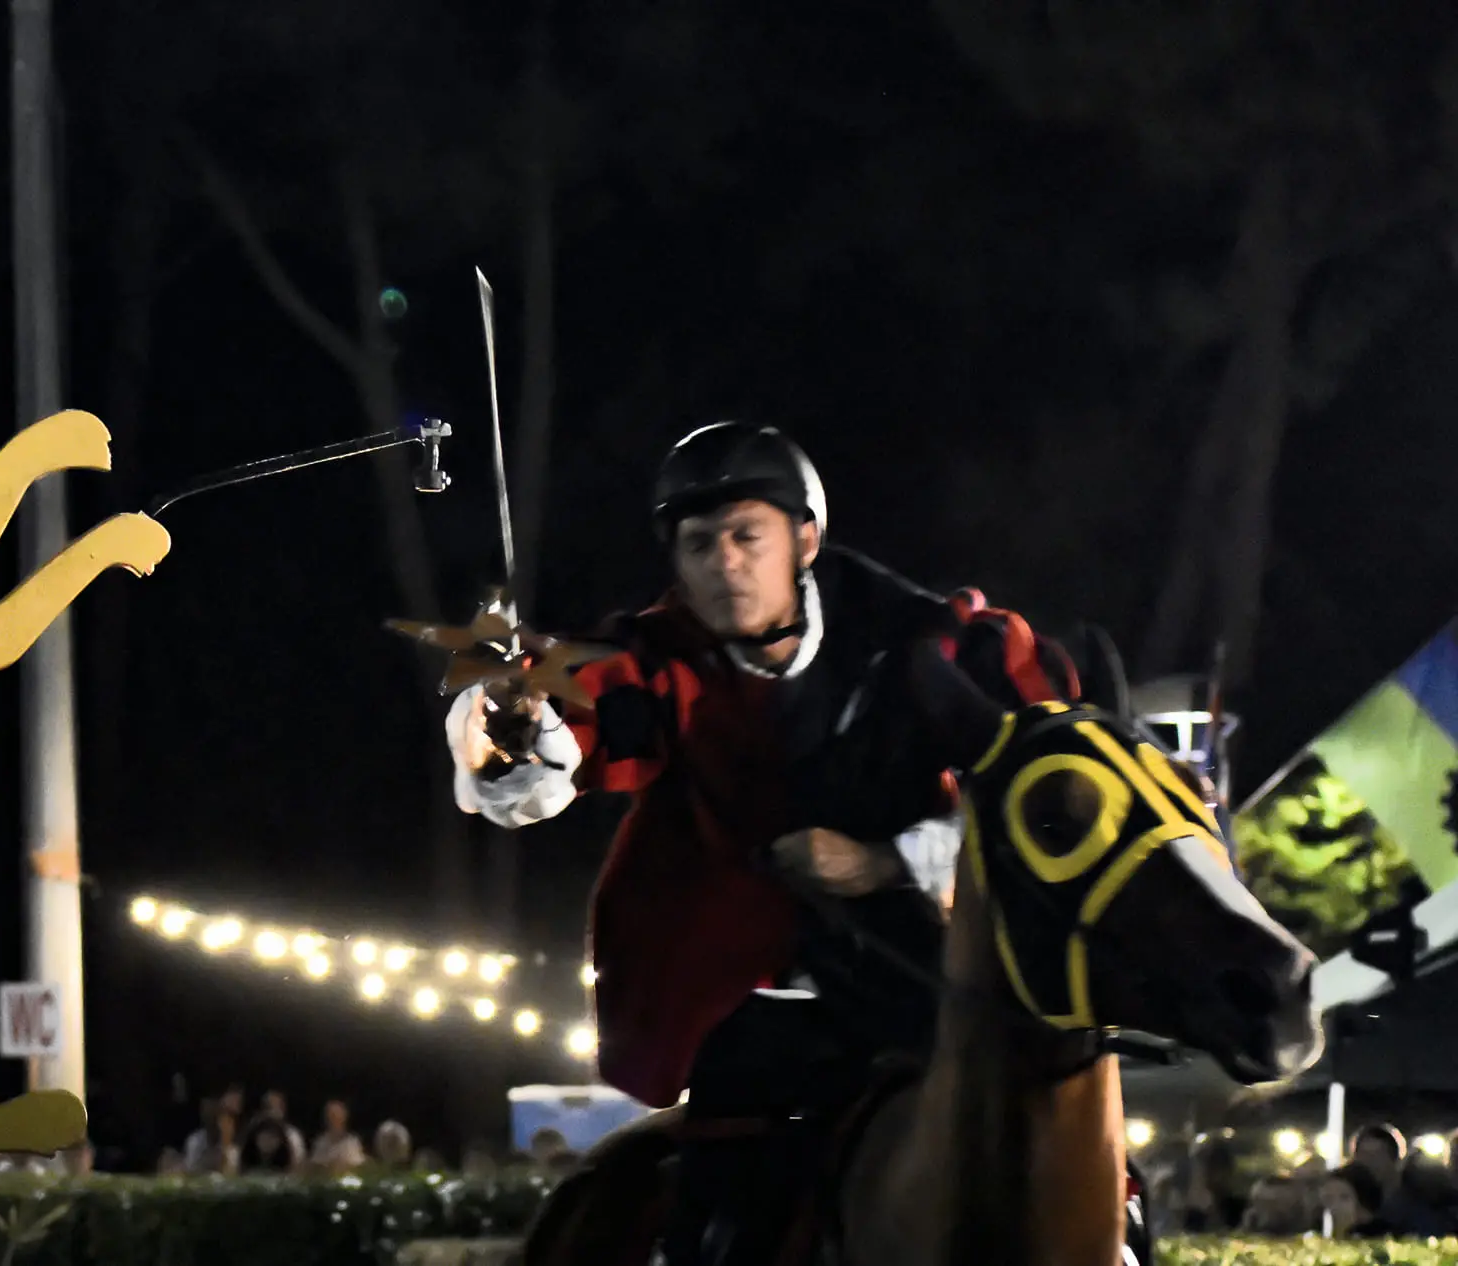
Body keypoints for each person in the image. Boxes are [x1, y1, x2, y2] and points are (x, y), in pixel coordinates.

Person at [445, 423, 1091, 1266]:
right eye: (699, 543)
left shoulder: (932, 639)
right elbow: (561, 745)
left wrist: (888, 861)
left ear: (806, 539)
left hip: (919, 970)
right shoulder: (653, 657)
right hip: (738, 996)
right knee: (722, 1198)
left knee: (1065, 1118)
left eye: (748, 535)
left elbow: (1058, 784)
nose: (725, 563)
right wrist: (509, 727)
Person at [1319, 1162, 1393, 1238]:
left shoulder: (1386, 1238)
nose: (1334, 1205)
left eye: (1344, 1197)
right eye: (1328, 1198)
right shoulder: (1318, 1235)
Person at [309, 1098, 367, 1174]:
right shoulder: (321, 1142)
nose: (334, 1119)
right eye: (331, 1115)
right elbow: (316, 1166)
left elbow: (357, 1165)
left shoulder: (352, 1142)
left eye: (337, 1115)